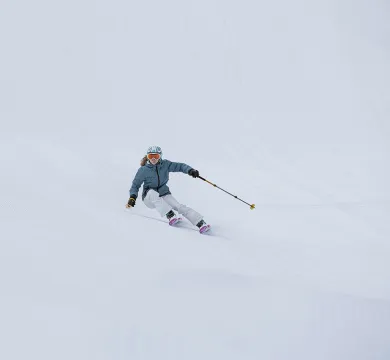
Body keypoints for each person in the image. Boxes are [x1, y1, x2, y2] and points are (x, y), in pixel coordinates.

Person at [126, 146, 211, 234]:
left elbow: (180, 166)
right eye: (151, 156)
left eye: (156, 156)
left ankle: (200, 223)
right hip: (149, 198)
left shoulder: (165, 165)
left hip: (163, 193)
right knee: (152, 192)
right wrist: (132, 197)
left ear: (160, 156)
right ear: (147, 157)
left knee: (178, 206)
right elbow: (135, 185)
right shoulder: (143, 170)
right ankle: (170, 215)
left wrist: (190, 170)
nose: (153, 159)